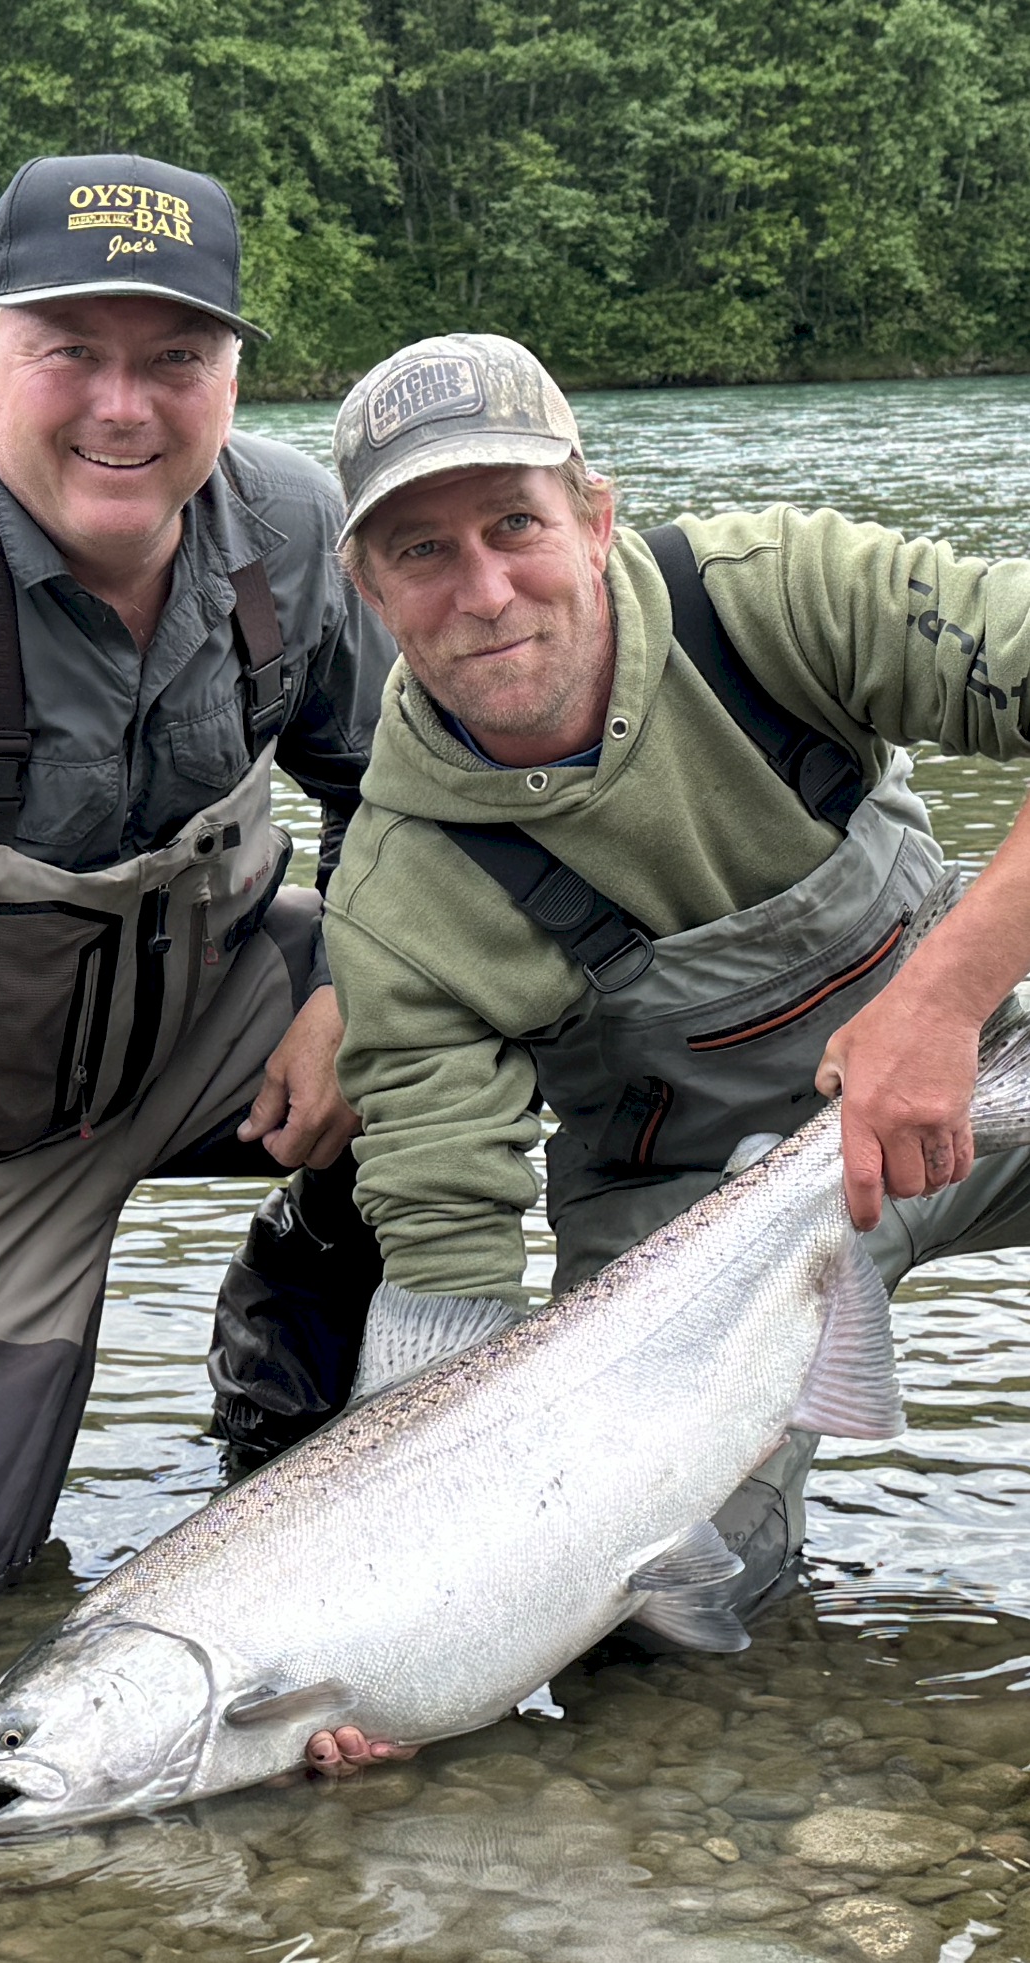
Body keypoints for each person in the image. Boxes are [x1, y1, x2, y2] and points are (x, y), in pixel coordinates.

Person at [304, 330, 1030, 1778]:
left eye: (515, 523)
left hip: (981, 1081)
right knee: (642, 1632)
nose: (486, 589)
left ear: (595, 513)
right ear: (369, 591)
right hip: (681, 1248)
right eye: (423, 553)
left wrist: (945, 997)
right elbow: (446, 1269)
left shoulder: (776, 600)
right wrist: (398, 1612)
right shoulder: (395, 895)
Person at [0, 153, 396, 1619]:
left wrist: (357, 988)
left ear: (230, 377)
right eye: (69, 353)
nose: (123, 405)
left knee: (473, 1026)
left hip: (214, 1021)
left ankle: (298, 1424)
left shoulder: (295, 533)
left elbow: (415, 799)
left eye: (175, 358)